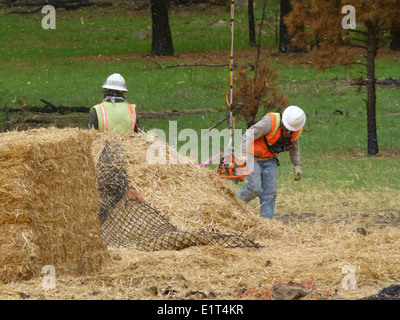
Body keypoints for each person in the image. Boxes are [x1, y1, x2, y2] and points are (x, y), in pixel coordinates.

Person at [237, 106, 306, 219]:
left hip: (269, 159)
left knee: (270, 192)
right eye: (286, 126)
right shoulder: (270, 122)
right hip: (251, 156)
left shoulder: (296, 129)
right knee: (254, 188)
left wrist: (297, 165)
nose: (287, 130)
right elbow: (248, 134)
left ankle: (267, 223)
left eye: (290, 129)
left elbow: (294, 147)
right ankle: (231, 205)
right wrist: (243, 155)